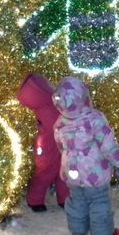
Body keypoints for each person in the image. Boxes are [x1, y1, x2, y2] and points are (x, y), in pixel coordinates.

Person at [53, 76, 119, 235]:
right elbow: (108, 145)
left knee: (77, 201)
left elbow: (60, 146)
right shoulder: (95, 119)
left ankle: (77, 231)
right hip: (94, 172)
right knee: (99, 202)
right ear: (84, 98)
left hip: (72, 171)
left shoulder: (60, 122)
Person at [17, 73, 69, 211]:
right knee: (46, 172)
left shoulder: (52, 101)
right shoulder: (48, 101)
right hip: (49, 144)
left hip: (59, 142)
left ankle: (63, 199)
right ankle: (35, 200)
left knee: (62, 171)